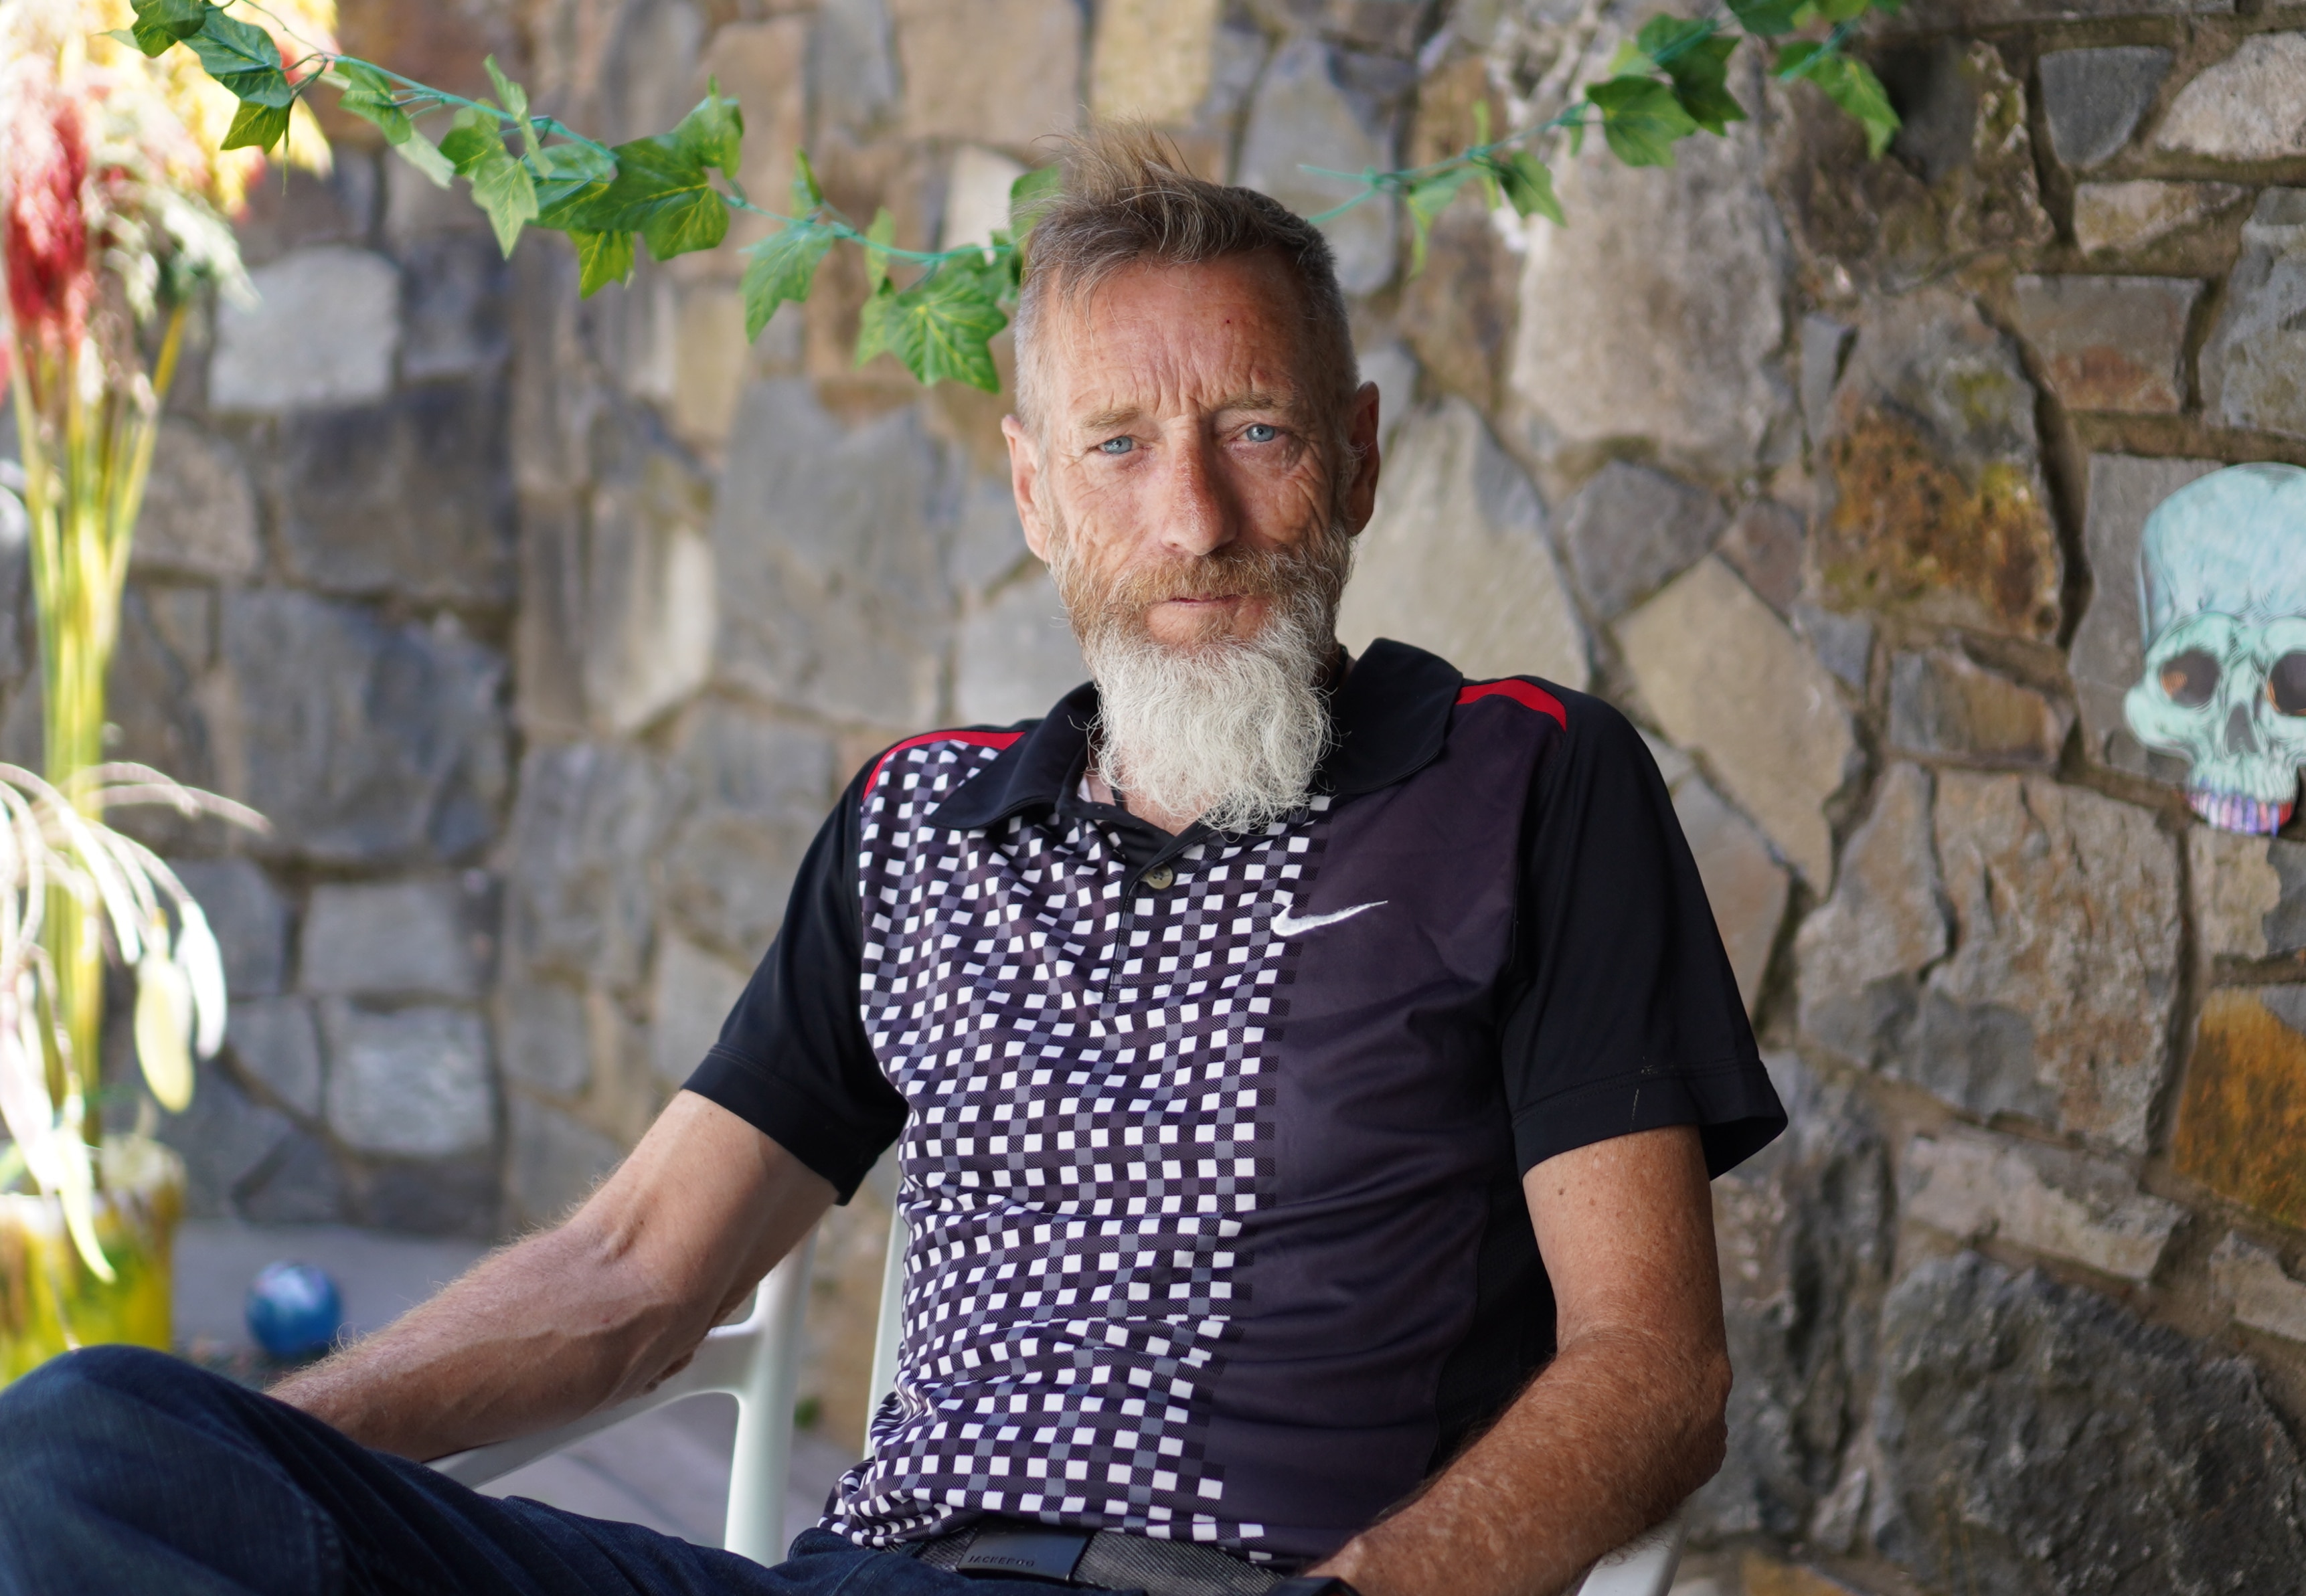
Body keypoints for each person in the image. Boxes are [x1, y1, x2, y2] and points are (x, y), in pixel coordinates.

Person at [0, 128, 1784, 1596]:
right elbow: (631, 1273)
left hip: (1250, 1582)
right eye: (1115, 445)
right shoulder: (922, 826)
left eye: (1254, 427)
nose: (1192, 520)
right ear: (1030, 491)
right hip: (849, 1575)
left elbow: (1650, 1368)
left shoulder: (1523, 782)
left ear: (1360, 455)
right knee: (88, 1443)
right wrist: (268, 1467)